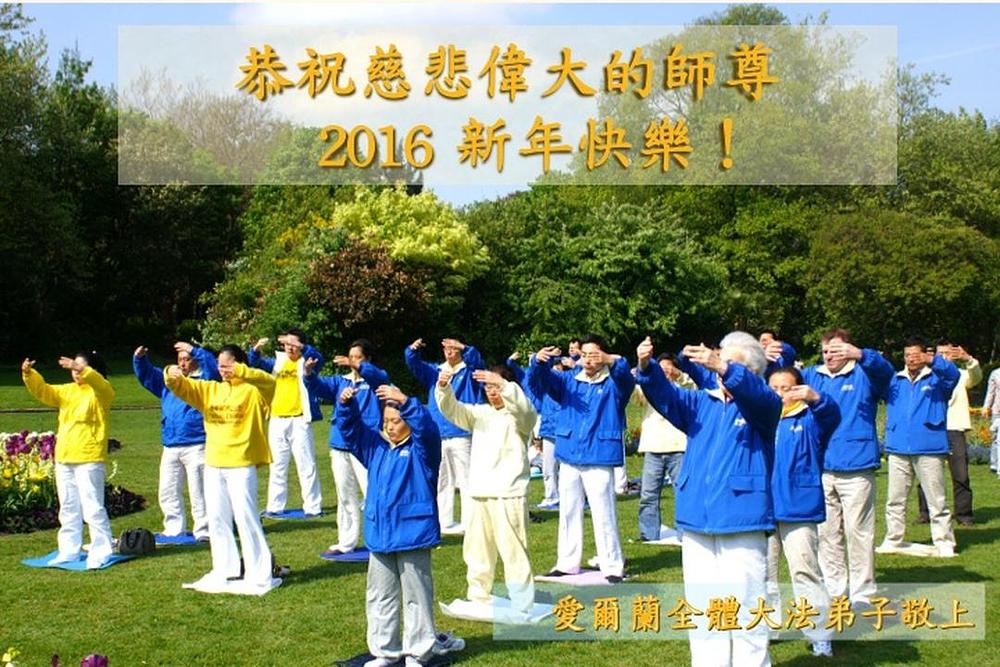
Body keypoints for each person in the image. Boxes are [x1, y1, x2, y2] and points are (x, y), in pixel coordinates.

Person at [636, 333, 781, 667]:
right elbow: (666, 396)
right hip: (696, 517)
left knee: (746, 606)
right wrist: (646, 367)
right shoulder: (703, 402)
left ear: (751, 372)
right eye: (720, 361)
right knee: (703, 608)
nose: (720, 368)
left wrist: (724, 367)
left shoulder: (764, 405)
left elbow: (760, 397)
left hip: (741, 518)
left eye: (730, 364)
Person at [335, 383, 463, 667]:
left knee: (417, 597)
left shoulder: (423, 451)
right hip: (380, 535)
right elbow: (351, 432)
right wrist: (346, 406)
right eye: (386, 421)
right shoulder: (376, 449)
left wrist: (406, 402)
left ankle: (419, 652)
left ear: (408, 421)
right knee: (380, 596)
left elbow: (427, 429)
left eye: (396, 421)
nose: (390, 427)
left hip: (412, 534)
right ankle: (385, 652)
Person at [165, 345, 281, 594]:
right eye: (220, 364)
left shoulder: (253, 391)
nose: (223, 369)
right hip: (214, 463)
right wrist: (170, 373)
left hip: (241, 464)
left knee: (246, 518)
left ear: (240, 364)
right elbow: (182, 387)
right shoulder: (211, 389)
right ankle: (225, 569)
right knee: (217, 519)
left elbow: (270, 382)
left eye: (228, 364)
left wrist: (241, 371)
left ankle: (259, 573)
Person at [528, 333, 635, 583]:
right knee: (568, 511)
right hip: (569, 455)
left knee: (604, 512)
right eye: (584, 354)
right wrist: (538, 362)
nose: (587, 359)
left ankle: (612, 566)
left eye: (593, 354)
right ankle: (567, 564)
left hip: (599, 456)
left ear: (604, 355)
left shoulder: (614, 383)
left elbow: (625, 377)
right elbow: (540, 381)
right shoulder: (569, 380)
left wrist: (610, 359)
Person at [801, 328, 893, 606]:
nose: (829, 356)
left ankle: (863, 592)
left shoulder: (864, 374)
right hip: (821, 466)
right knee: (827, 533)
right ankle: (835, 588)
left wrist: (863, 355)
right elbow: (780, 380)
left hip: (856, 465)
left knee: (859, 532)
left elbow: (886, 374)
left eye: (836, 350)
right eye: (825, 351)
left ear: (849, 350)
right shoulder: (812, 376)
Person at [436, 365, 537, 616]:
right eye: (488, 387)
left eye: (496, 386)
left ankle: (522, 601)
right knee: (477, 549)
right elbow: (453, 410)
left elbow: (525, 411)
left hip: (509, 491)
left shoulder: (520, 416)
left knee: (514, 551)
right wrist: (444, 388)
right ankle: (479, 595)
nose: (492, 391)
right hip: (479, 490)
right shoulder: (480, 413)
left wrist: (503, 384)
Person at [766, 367, 839, 658]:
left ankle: (819, 634)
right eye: (773, 388)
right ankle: (766, 627)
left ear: (799, 390)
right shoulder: (760, 418)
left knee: (804, 570)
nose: (779, 394)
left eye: (786, 388)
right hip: (763, 507)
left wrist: (817, 399)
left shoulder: (810, 419)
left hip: (799, 506)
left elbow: (831, 416)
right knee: (763, 572)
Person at [22, 353, 115, 569]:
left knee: (93, 508)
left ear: (91, 369)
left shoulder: (101, 391)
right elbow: (44, 391)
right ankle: (69, 551)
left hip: (89, 457)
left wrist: (82, 369)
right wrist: (28, 374)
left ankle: (101, 551)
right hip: (65, 457)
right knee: (68, 507)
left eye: (80, 367)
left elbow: (101, 385)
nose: (75, 371)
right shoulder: (67, 391)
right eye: (73, 368)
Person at [303, 339, 389, 555]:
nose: (353, 361)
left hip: (368, 445)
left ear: (368, 359)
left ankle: (381, 539)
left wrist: (357, 366)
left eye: (358, 358)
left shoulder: (375, 379)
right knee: (345, 495)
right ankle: (346, 542)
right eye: (351, 357)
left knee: (373, 493)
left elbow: (379, 376)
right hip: (340, 444)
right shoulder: (340, 381)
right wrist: (309, 373)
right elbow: (318, 387)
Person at [877, 336, 959, 558]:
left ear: (924, 354)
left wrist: (932, 360)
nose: (911, 359)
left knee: (936, 500)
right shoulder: (895, 380)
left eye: (915, 354)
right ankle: (893, 539)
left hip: (929, 447)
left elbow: (954, 374)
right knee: (895, 499)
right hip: (898, 447)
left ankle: (944, 542)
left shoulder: (938, 380)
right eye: (907, 355)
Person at [133, 342, 220, 541]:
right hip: (171, 444)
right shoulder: (169, 382)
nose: (182, 364)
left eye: (187, 359)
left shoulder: (205, 381)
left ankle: (204, 530)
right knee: (168, 490)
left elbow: (212, 366)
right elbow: (147, 375)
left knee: (199, 491)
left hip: (197, 443)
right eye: (180, 359)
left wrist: (195, 350)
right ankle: (174, 528)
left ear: (195, 361)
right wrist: (140, 359)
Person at [404, 337, 485, 534]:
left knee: (466, 480)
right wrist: (412, 350)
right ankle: (444, 521)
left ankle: (469, 523)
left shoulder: (469, 371)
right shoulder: (436, 371)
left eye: (453, 348)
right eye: (446, 348)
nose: (449, 351)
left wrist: (464, 347)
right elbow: (414, 365)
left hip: (462, 432)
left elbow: (478, 362)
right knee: (442, 479)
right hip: (439, 434)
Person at [249, 330, 324, 517]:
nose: (289, 348)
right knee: (277, 466)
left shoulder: (307, 362)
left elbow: (317, 357)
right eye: (286, 344)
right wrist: (256, 350)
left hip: (299, 419)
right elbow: (255, 363)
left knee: (306, 465)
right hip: (277, 419)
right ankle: (275, 507)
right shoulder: (278, 361)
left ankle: (313, 507)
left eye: (293, 344)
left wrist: (300, 346)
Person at [916, 341, 981, 526]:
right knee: (926, 474)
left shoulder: (960, 375)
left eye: (948, 353)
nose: (944, 357)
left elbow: (976, 378)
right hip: (932, 429)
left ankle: (964, 515)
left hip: (954, 428)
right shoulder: (926, 376)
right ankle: (925, 513)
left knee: (961, 474)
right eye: (940, 353)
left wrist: (968, 359)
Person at [632, 353, 694, 543]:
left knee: (682, 492)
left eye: (669, 367)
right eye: (661, 368)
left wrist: (678, 375)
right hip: (653, 447)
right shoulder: (649, 388)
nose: (665, 371)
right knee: (648, 494)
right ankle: (648, 534)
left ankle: (686, 533)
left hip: (679, 447)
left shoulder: (682, 388)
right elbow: (635, 396)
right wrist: (637, 375)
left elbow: (693, 386)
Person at [508, 350, 563, 510]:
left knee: (568, 468)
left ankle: (573, 496)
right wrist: (535, 360)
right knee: (548, 465)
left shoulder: (567, 381)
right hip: (546, 424)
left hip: (562, 426)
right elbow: (531, 375)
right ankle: (552, 496)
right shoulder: (536, 381)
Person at [983, 365, 1000, 475]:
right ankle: (994, 464)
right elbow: (990, 392)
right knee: (996, 437)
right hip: (997, 411)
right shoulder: (996, 373)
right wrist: (986, 407)